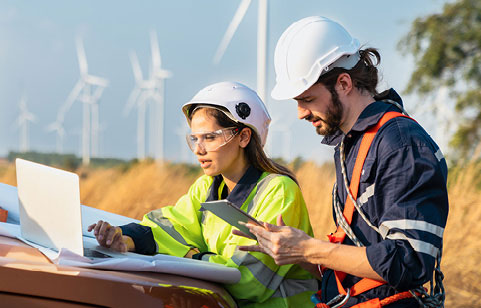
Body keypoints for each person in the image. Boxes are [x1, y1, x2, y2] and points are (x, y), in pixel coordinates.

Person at [235, 16, 449, 308]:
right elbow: (361, 255)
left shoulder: (400, 143)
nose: (300, 113)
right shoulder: (351, 144)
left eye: (307, 99)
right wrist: (293, 251)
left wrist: (310, 249)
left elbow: (408, 260)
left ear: (344, 83)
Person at [88, 81, 318, 308]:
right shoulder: (206, 187)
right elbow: (169, 228)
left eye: (210, 137)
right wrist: (124, 239)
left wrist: (190, 257)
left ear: (243, 137)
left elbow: (247, 281)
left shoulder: (279, 191)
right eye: (194, 139)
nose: (199, 149)